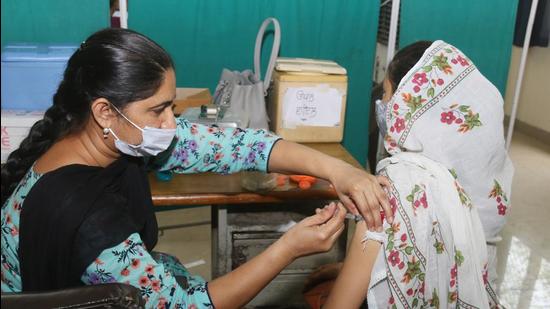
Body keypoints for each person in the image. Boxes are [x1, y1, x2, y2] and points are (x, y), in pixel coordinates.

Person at [0, 28, 390, 308]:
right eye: (159, 109)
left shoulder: (85, 134)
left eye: (172, 105)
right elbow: (190, 306)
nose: (172, 122)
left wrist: (339, 171)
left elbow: (239, 146)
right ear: (105, 111)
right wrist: (288, 248)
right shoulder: (89, 221)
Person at [323, 40, 513, 308]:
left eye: (388, 94)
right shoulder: (487, 191)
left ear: (410, 105)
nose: (383, 104)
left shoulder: (394, 190)